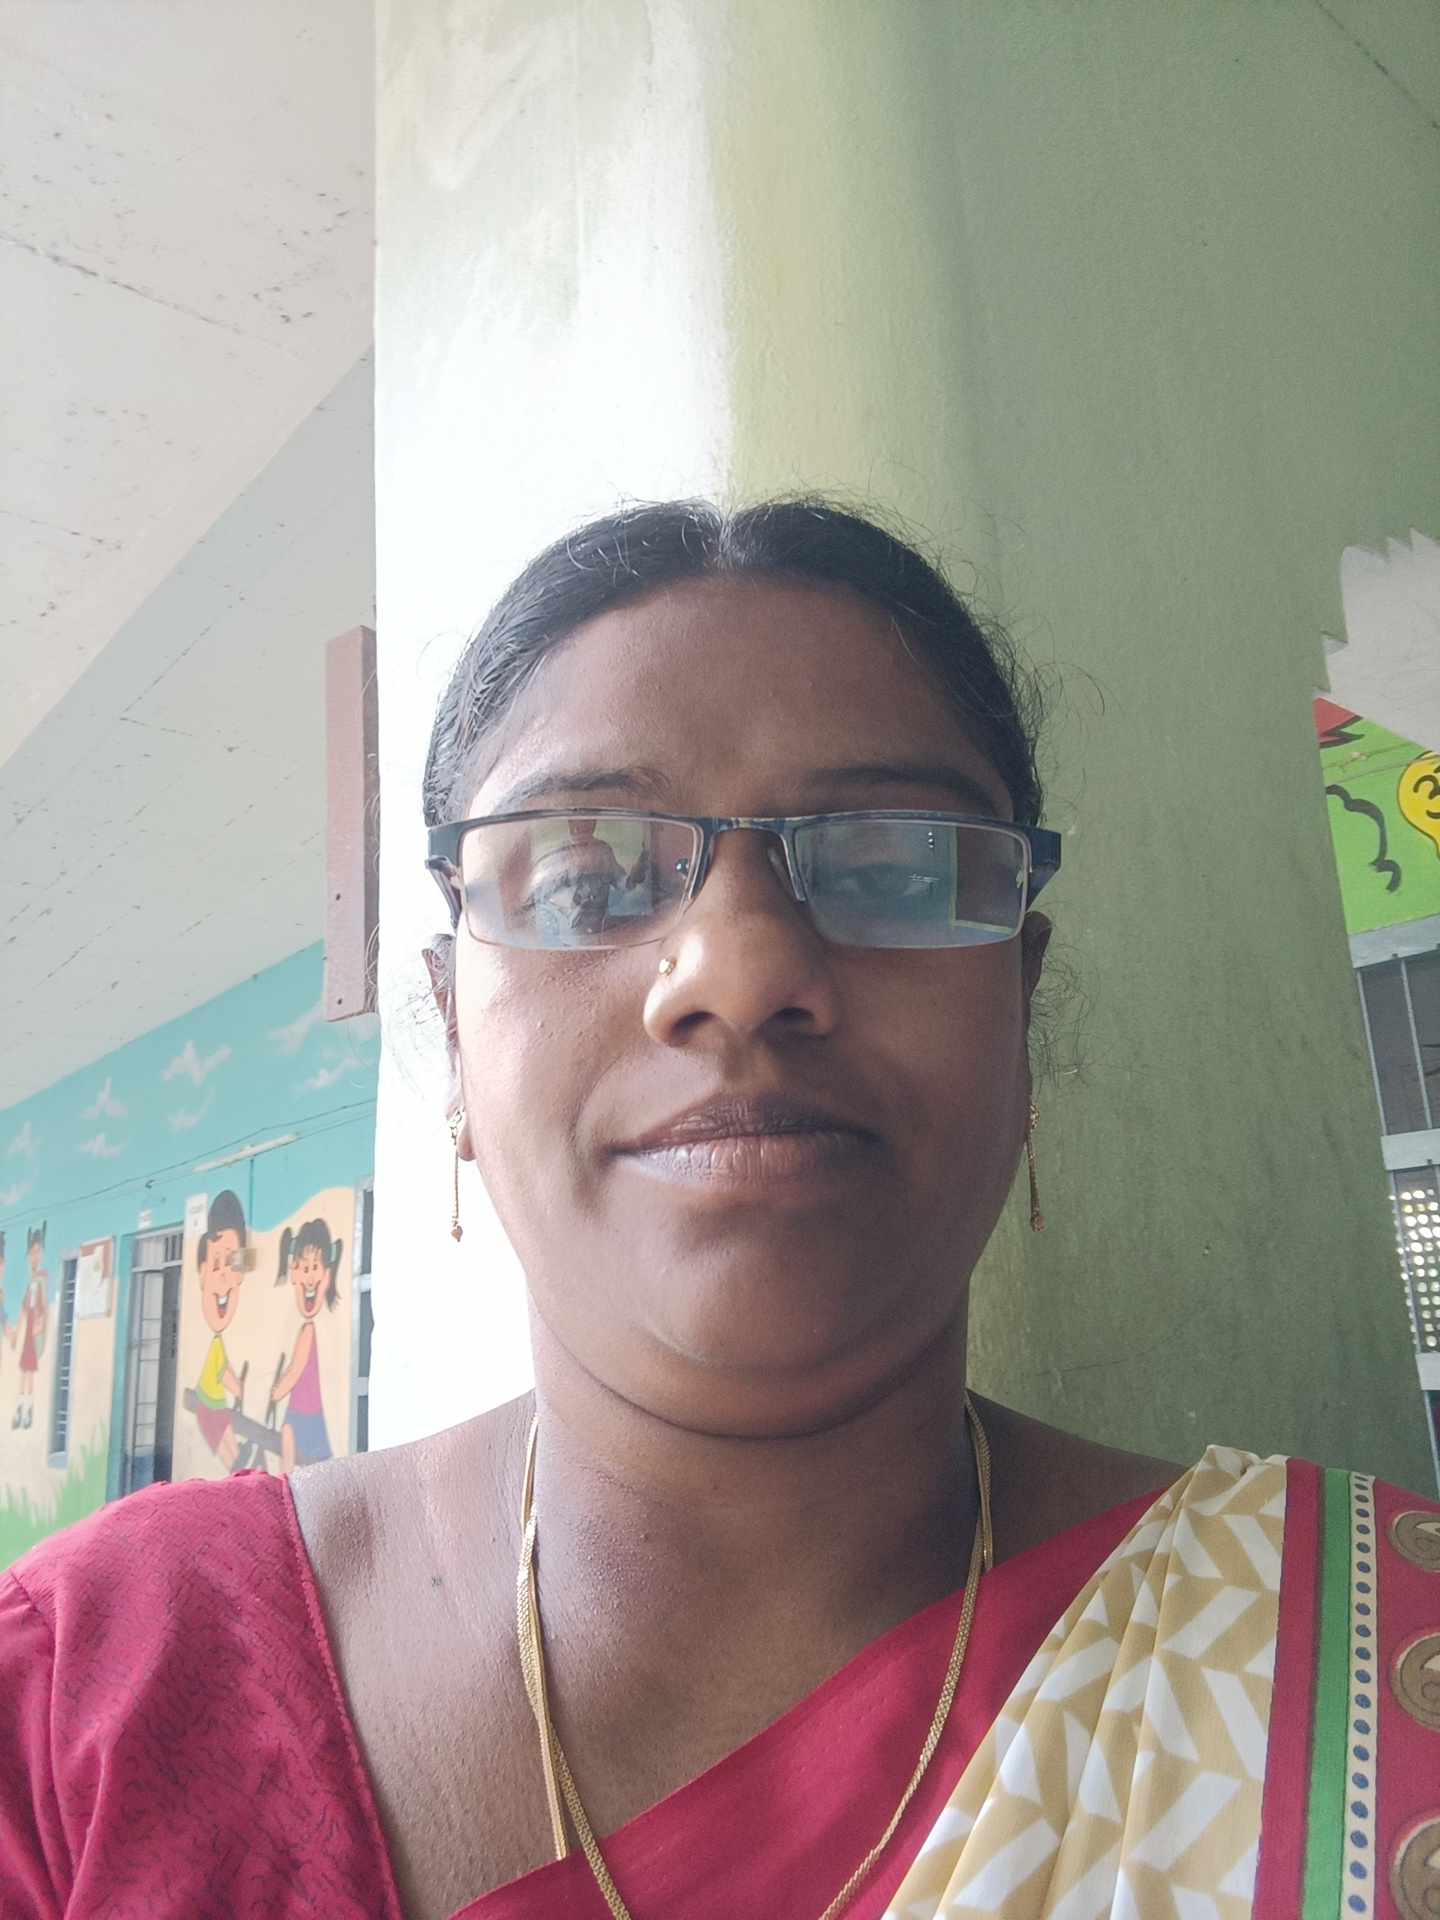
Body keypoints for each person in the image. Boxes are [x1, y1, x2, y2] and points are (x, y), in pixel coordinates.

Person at [1, 498, 1438, 1919]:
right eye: (584, 881)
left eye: (892, 869)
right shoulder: (88, 1705)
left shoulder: (1378, 1669)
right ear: (452, 1033)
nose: (741, 969)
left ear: (1020, 996)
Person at [269, 1217, 343, 1472]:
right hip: (312, 1415)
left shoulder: (310, 1330)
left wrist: (275, 1393)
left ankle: (284, 1490)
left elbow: (294, 1370)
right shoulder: (307, 1327)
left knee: (289, 1456)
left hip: (302, 1415)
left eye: (315, 1267)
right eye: (304, 1267)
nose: (310, 1276)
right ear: (294, 1271)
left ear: (327, 1274)